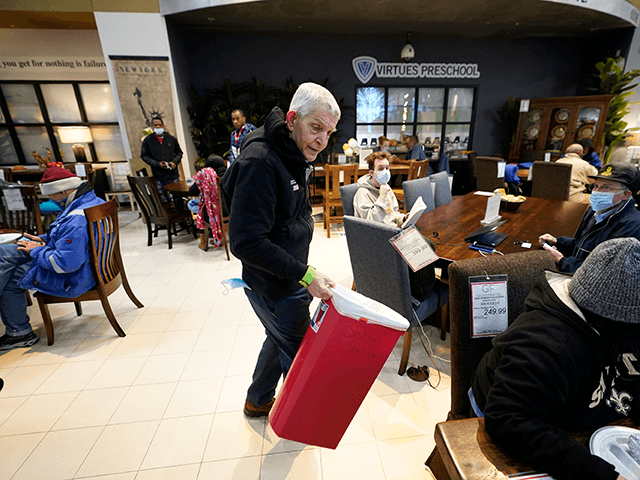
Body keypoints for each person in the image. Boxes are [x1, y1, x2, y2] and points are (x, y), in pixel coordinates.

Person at [471, 237, 640, 480]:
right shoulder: (547, 346)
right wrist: (597, 474)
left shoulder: (614, 317)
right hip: (511, 415)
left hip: (580, 405)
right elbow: (508, 419)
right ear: (614, 320)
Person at [222, 83, 339, 417]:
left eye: (328, 132)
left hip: (283, 277)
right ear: (292, 119)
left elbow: (286, 216)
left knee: (276, 338)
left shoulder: (292, 151)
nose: (322, 140)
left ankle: (257, 400)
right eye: (316, 128)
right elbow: (246, 241)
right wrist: (305, 274)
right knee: (301, 356)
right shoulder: (261, 162)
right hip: (276, 286)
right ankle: (300, 420)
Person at [0, 167, 104, 351]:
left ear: (63, 191)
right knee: (13, 270)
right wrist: (44, 239)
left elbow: (65, 264)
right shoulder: (90, 201)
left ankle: (19, 332)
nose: (49, 201)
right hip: (91, 268)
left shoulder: (75, 219)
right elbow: (72, 240)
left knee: (5, 257)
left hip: (75, 278)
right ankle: (19, 333)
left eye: (51, 196)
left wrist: (37, 250)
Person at [353, 151, 437, 302]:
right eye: (380, 169)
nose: (385, 172)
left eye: (387, 168)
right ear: (371, 172)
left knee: (426, 243)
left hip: (392, 232)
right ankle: (417, 295)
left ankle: (420, 286)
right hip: (376, 239)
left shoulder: (386, 188)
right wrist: (382, 198)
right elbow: (371, 222)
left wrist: (402, 217)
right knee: (419, 248)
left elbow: (392, 213)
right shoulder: (362, 193)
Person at [539, 162, 640, 273]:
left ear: (626, 194)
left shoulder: (631, 226)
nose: (596, 192)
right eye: (596, 186)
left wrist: (562, 261)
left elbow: (606, 273)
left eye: (606, 188)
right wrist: (558, 242)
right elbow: (583, 245)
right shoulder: (595, 210)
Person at [187, 155, 226, 250]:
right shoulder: (229, 173)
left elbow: (192, 191)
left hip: (212, 214)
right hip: (230, 210)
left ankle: (203, 241)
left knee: (198, 206)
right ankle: (219, 237)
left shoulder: (206, 176)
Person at [140, 116, 182, 202]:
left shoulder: (172, 139)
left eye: (160, 125)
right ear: (152, 126)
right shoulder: (148, 140)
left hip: (173, 175)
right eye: (156, 125)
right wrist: (157, 164)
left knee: (178, 198)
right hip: (158, 176)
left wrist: (174, 162)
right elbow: (144, 156)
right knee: (163, 200)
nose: (158, 127)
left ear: (163, 126)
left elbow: (179, 153)